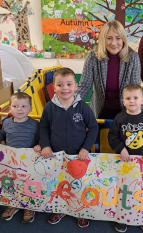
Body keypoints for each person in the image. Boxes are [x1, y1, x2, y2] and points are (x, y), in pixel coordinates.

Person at [36, 67, 98, 228]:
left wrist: (86, 148)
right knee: (59, 183)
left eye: (69, 84)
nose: (65, 88)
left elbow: (93, 128)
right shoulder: (49, 107)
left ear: (76, 86)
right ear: (54, 88)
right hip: (56, 156)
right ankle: (60, 208)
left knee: (80, 184)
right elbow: (43, 128)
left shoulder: (84, 107)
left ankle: (81, 210)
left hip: (79, 156)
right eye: (60, 85)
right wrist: (46, 145)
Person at [108, 84, 143, 232]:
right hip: (125, 163)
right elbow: (112, 137)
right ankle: (123, 217)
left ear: (142, 100)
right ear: (123, 101)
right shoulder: (119, 118)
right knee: (125, 191)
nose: (132, 101)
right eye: (128, 98)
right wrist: (121, 149)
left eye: (136, 98)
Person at [0, 92, 40, 223]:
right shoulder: (7, 123)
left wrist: (40, 145)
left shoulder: (35, 124)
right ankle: (14, 204)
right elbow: (2, 134)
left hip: (29, 162)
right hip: (11, 162)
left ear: (30, 109)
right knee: (12, 183)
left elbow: (41, 138)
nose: (19, 109)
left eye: (23, 106)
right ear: (9, 108)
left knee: (29, 183)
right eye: (15, 106)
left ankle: (29, 206)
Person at [77, 20, 141, 120]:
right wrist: (70, 106)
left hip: (126, 112)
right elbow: (84, 87)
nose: (114, 43)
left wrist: (139, 115)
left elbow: (135, 89)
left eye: (118, 38)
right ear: (103, 39)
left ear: (123, 40)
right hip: (99, 111)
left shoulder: (133, 57)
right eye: (109, 38)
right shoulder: (93, 56)